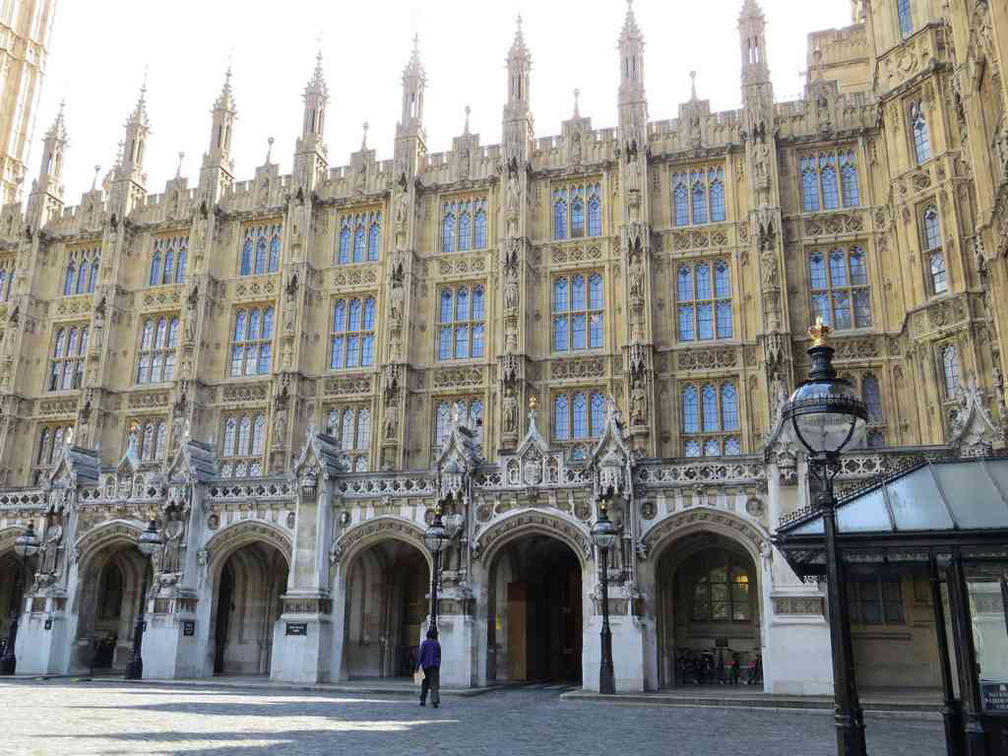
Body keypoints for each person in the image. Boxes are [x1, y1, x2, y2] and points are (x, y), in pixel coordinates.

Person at [417, 629, 441, 708]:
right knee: (434, 684)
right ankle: (434, 701)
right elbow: (439, 656)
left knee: (424, 684)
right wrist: (438, 665)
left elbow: (421, 656)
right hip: (434, 666)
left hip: (425, 666)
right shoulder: (437, 643)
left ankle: (422, 700)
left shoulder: (424, 643)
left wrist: (417, 666)